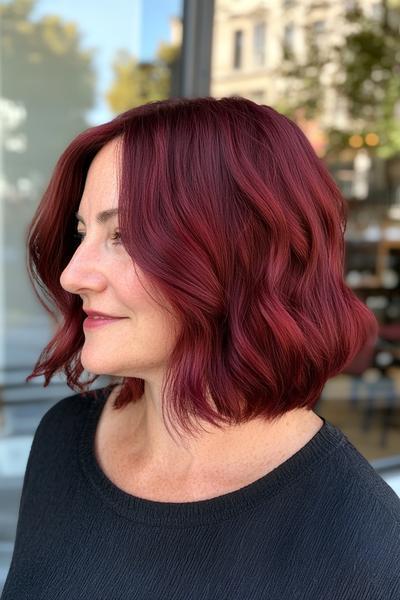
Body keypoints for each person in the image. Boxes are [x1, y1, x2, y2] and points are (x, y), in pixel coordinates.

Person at [2, 96, 399, 600]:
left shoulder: (368, 553)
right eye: (82, 233)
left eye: (123, 234)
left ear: (246, 255)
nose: (71, 274)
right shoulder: (63, 438)